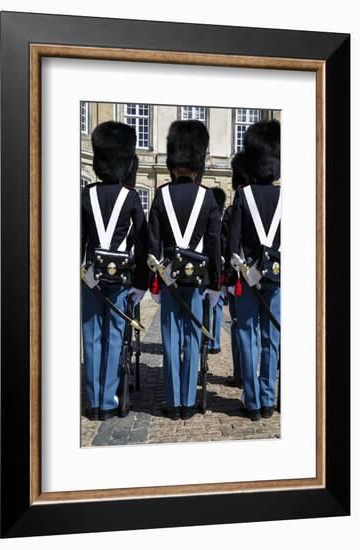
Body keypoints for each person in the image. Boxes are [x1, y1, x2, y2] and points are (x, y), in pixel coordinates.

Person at [148, 120, 222, 420]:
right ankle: (189, 402)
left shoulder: (161, 195)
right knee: (192, 338)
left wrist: (155, 281)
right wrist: (216, 283)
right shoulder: (208, 197)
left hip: (168, 280)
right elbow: (215, 245)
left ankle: (173, 401)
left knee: (169, 339)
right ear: (198, 159)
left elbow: (152, 242)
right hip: (198, 281)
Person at [81, 122, 148, 421]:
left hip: (91, 277)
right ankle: (108, 400)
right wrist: (141, 282)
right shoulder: (131, 197)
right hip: (120, 280)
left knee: (91, 337)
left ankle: (93, 401)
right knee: (113, 337)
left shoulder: (86, 194)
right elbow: (143, 242)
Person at [228, 119, 281, 421]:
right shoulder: (285, 197)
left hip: (247, 278)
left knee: (247, 337)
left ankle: (251, 402)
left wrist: (243, 269)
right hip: (276, 278)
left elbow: (233, 244)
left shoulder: (242, 195)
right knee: (270, 338)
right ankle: (267, 400)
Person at [221, 151, 250, 388]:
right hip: (271, 274)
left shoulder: (232, 210)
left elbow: (226, 245)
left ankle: (241, 374)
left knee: (240, 325)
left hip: (240, 277)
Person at [208, 187, 227, 354]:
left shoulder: (209, 217)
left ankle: (206, 340)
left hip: (207, 265)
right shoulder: (223, 219)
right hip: (221, 267)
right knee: (218, 306)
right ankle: (215, 343)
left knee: (206, 304)